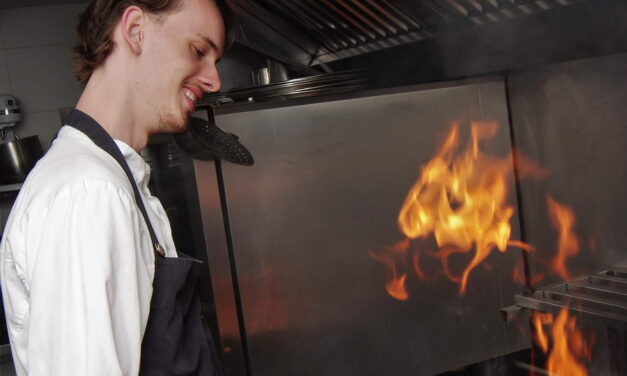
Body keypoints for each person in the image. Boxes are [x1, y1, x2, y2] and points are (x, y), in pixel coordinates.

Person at [0, 0, 228, 374]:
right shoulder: (88, 192)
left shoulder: (109, 176)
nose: (214, 80)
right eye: (199, 51)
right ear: (136, 29)